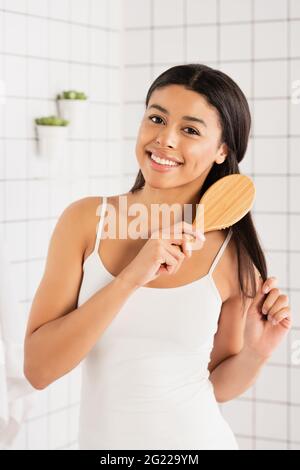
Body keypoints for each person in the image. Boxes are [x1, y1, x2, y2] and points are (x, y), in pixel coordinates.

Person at [23, 64, 291, 450]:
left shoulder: (231, 254)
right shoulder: (86, 222)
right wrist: (132, 277)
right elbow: (38, 370)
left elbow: (216, 386)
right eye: (156, 118)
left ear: (222, 150)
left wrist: (256, 354)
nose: (165, 139)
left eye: (190, 129)